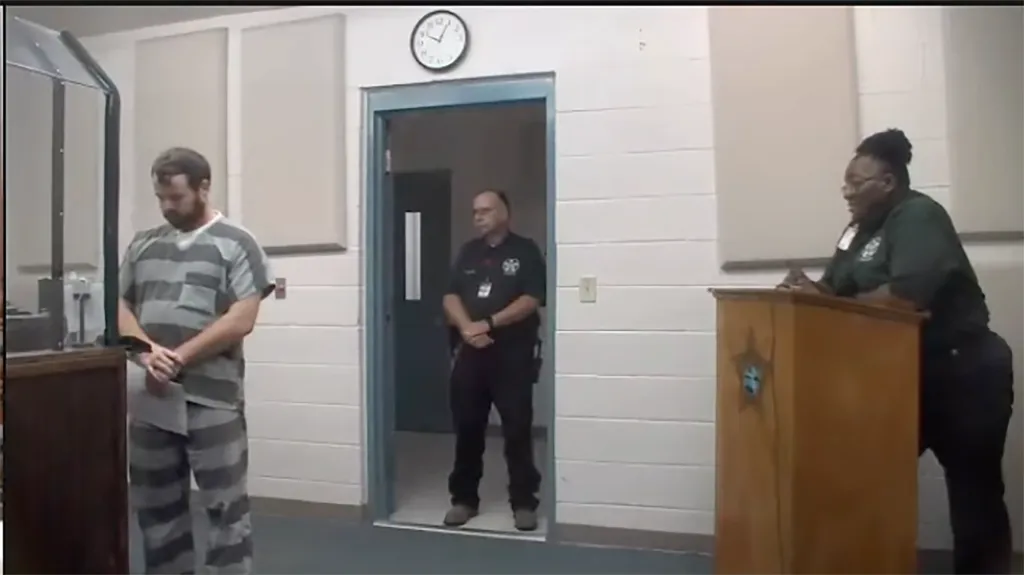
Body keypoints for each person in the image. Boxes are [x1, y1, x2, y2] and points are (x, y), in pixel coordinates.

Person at [781, 129, 1015, 574]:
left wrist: (832, 303)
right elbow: (835, 290)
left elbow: (904, 299)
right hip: (897, 376)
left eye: (856, 181)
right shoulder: (856, 229)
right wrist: (809, 292)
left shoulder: (918, 216)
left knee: (974, 496)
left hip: (962, 374)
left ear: (887, 182)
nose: (846, 190)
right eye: (845, 181)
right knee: (867, 478)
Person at [119, 147, 274, 574]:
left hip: (213, 400)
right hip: (152, 401)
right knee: (157, 510)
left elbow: (241, 318)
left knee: (226, 511)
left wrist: (180, 357)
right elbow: (119, 304)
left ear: (204, 187)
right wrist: (148, 352)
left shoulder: (237, 243)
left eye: (177, 197)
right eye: (161, 198)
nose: (167, 207)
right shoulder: (143, 244)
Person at [442, 189, 546, 532]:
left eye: (486, 211)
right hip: (472, 355)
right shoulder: (468, 253)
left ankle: (524, 502)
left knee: (516, 429)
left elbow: (531, 299)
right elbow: (450, 295)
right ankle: (464, 499)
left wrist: (488, 324)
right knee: (468, 428)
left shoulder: (525, 251)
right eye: (475, 212)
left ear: (505, 212)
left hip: (512, 356)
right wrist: (468, 328)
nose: (479, 217)